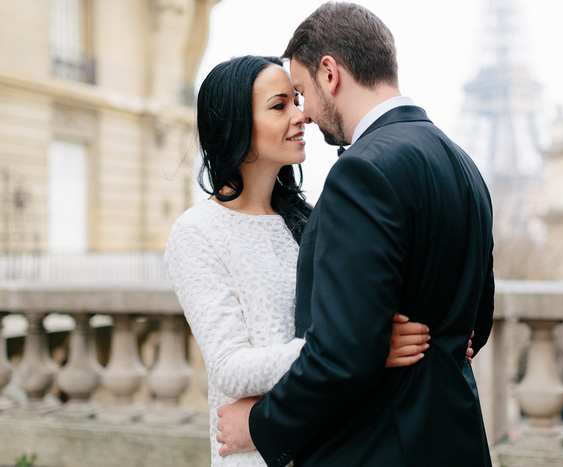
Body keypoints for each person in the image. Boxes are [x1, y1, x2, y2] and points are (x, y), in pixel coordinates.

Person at [216, 3, 495, 466]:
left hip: (376, 448)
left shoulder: (361, 171)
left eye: (301, 90)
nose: (305, 112)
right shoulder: (463, 164)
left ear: (330, 73)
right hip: (457, 440)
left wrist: (260, 424)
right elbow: (476, 322)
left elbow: (343, 355)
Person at [164, 55, 432, 466]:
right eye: (279, 105)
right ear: (236, 123)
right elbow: (229, 368)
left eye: (296, 100)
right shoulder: (196, 232)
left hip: (333, 446)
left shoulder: (312, 219)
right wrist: (355, 347)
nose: (301, 115)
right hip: (256, 454)